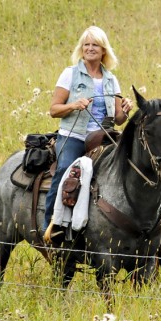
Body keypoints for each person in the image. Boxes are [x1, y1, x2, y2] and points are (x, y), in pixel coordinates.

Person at [44, 26, 133, 237]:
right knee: (64, 169)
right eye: (86, 44)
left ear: (103, 50)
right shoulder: (70, 74)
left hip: (104, 138)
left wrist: (127, 110)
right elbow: (54, 110)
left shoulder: (111, 79)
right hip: (74, 135)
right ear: (81, 48)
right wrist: (73, 105)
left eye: (95, 45)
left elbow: (119, 119)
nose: (90, 49)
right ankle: (50, 225)